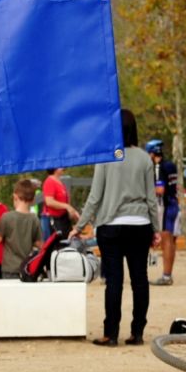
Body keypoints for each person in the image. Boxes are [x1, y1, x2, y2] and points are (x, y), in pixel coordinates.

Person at [71, 109, 159, 347]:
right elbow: (151, 198)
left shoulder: (106, 156)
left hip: (111, 226)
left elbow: (95, 197)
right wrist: (157, 229)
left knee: (115, 281)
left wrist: (79, 227)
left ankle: (111, 334)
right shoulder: (144, 158)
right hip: (140, 225)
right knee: (140, 279)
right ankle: (137, 333)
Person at [0, 178, 42, 278]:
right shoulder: (34, 219)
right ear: (33, 200)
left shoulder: (6, 217)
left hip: (9, 267)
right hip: (26, 267)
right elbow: (39, 243)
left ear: (15, 197)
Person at [146, 138, 179, 285]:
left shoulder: (159, 167)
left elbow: (160, 190)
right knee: (171, 241)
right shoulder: (171, 165)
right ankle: (168, 275)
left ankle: (166, 276)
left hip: (165, 206)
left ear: (153, 153)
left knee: (166, 240)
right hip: (174, 204)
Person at [42, 167, 80, 237]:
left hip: (62, 219)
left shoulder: (59, 181)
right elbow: (49, 201)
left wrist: (73, 211)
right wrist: (67, 206)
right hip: (53, 220)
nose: (63, 168)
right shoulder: (49, 181)